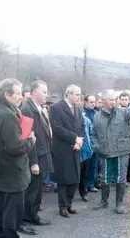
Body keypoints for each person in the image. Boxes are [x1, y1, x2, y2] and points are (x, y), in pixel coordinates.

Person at [0, 78, 36, 238]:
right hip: (12, 171)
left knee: (2, 209)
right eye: (18, 93)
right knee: (12, 213)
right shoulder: (8, 115)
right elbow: (15, 147)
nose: (21, 97)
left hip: (1, 169)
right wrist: (31, 140)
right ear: (7, 94)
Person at [20, 80, 53, 233]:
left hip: (43, 153)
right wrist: (33, 162)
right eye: (44, 92)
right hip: (34, 157)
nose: (47, 94)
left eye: (47, 92)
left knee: (38, 189)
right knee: (30, 190)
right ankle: (24, 220)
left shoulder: (39, 108)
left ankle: (34, 216)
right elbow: (27, 137)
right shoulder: (27, 109)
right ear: (34, 93)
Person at [49, 84, 85, 218]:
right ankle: (62, 206)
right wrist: (74, 138)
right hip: (62, 148)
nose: (79, 97)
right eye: (76, 94)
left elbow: (82, 126)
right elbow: (57, 128)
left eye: (79, 94)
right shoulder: (56, 108)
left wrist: (80, 140)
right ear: (68, 94)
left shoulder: (78, 108)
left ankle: (69, 204)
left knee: (75, 178)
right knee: (64, 179)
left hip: (76, 147)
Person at [83, 95, 99, 192]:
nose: (93, 104)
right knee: (84, 166)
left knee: (94, 165)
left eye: (94, 102)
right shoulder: (82, 113)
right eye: (91, 102)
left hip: (95, 143)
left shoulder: (97, 113)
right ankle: (82, 185)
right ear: (85, 102)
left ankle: (91, 184)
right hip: (85, 143)